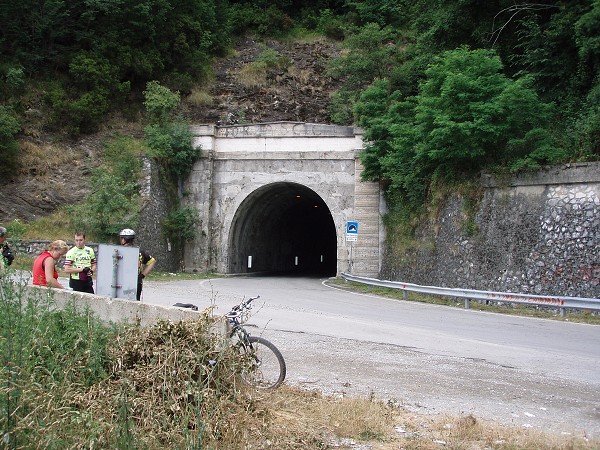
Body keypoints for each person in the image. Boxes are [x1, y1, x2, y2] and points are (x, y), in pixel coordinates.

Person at [119, 228, 156, 301]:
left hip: (124, 280)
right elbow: (152, 261)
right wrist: (142, 275)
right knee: (136, 302)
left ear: (124, 240)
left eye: (121, 238)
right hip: (137, 281)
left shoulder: (121, 251)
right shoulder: (139, 251)